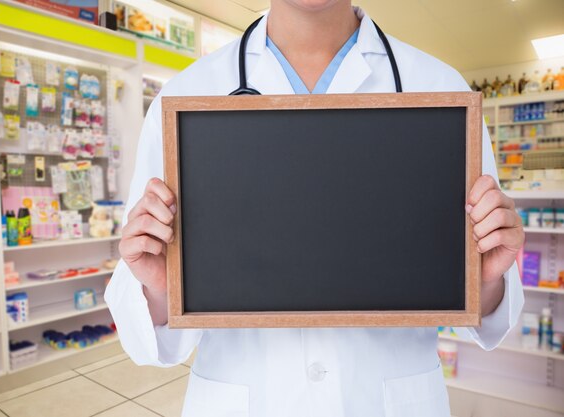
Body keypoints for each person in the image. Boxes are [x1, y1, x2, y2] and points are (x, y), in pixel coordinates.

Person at [105, 1, 525, 416]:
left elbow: (485, 310)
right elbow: (147, 332)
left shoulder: (440, 89)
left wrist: (483, 278)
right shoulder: (186, 97)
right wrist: (162, 287)